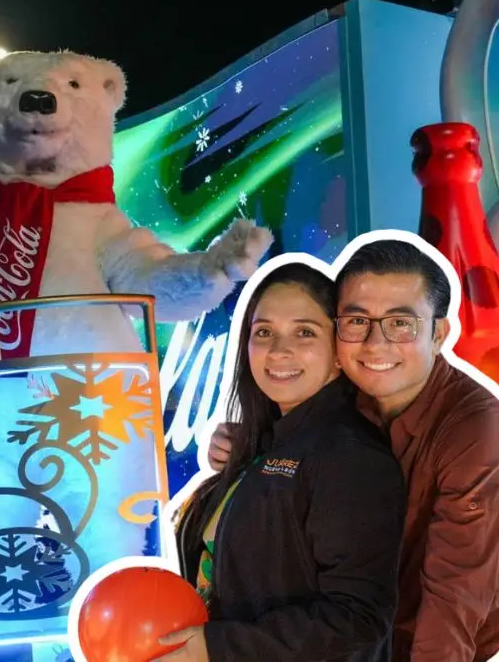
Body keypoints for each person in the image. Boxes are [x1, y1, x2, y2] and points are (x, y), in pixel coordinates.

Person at [207, 239, 499, 661]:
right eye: (357, 321)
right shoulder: (347, 394)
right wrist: (250, 444)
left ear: (438, 334)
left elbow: (456, 597)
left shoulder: (477, 431)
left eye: (400, 323)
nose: (376, 344)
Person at [160, 262, 406, 661]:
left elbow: (358, 618)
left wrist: (220, 647)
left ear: (340, 353)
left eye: (304, 332)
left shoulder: (352, 458)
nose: (278, 350)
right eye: (264, 332)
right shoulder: (268, 445)